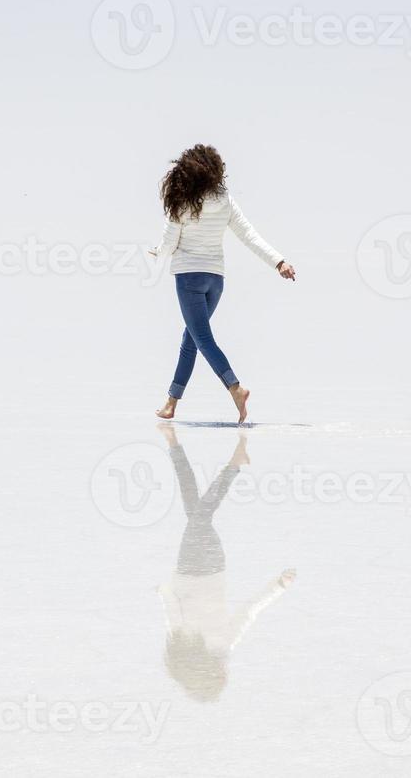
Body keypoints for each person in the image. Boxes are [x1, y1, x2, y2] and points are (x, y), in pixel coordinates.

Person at [150, 145, 295, 424]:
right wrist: (279, 261)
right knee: (190, 339)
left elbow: (169, 242)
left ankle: (235, 388)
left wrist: (157, 252)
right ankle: (171, 402)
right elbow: (249, 235)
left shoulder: (182, 200)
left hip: (189, 278)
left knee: (202, 339)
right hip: (215, 280)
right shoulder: (224, 199)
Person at [155, 424, 295, 702]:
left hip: (200, 565)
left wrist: (163, 590)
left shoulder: (202, 644)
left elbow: (172, 606)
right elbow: (249, 610)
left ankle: (184, 449)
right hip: (198, 565)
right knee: (197, 514)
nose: (224, 672)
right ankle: (220, 459)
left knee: (194, 511)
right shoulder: (211, 645)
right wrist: (279, 585)